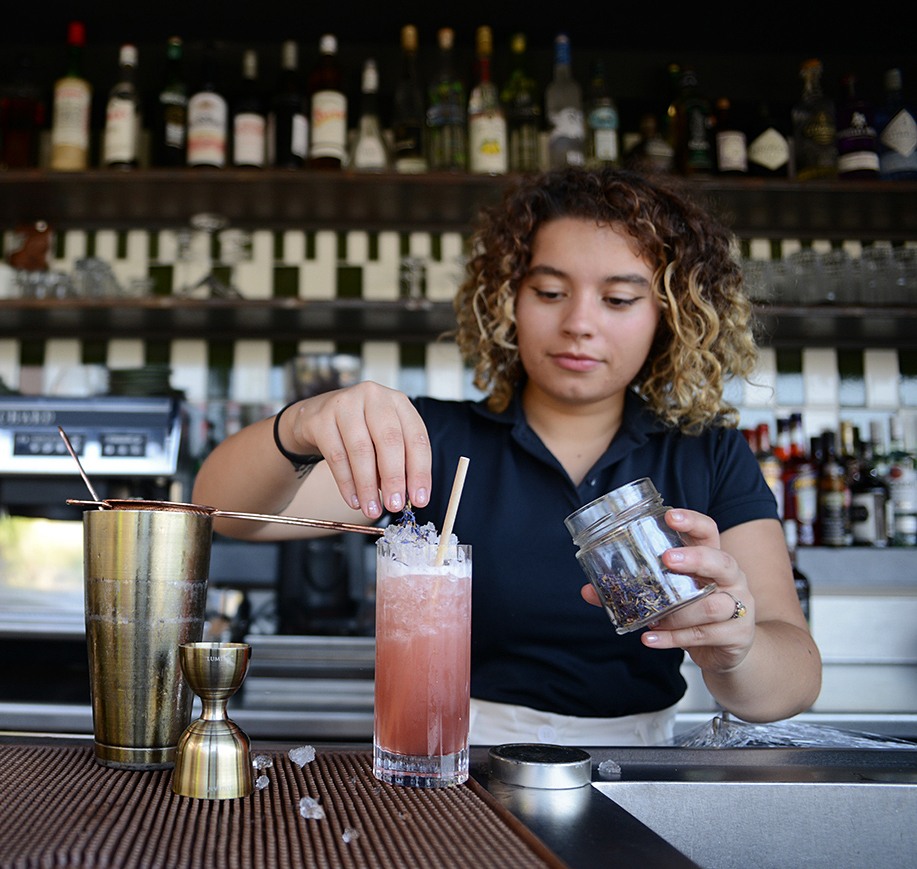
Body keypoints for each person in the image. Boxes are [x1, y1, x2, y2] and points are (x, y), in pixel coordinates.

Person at [193, 167, 821, 746]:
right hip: (457, 761)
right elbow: (223, 514)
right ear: (507, 301)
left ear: (670, 315)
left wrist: (735, 648)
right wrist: (299, 423)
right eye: (550, 291)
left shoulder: (706, 452)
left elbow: (792, 682)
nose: (579, 322)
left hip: (641, 770)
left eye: (620, 299)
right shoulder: (432, 439)